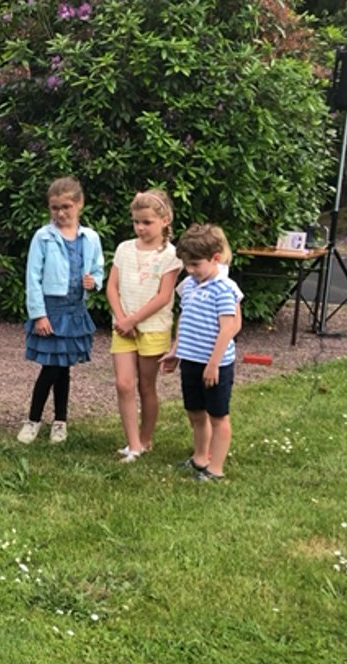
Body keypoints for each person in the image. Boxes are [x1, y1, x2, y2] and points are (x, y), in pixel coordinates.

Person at [17, 176, 105, 445]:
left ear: (79, 204)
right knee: (51, 368)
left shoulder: (90, 238)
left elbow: (98, 269)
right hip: (51, 312)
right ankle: (33, 420)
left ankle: (60, 421)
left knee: (63, 368)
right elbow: (33, 278)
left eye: (66, 206)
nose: (60, 213)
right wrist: (39, 314)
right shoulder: (43, 237)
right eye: (55, 208)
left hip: (75, 311)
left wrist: (95, 282)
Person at [160, 224, 241, 481]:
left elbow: (228, 328)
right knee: (195, 412)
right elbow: (184, 319)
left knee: (218, 415)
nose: (191, 270)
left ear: (215, 257)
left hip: (215, 364)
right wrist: (176, 351)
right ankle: (200, 457)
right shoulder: (191, 285)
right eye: (187, 265)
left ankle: (215, 469)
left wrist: (214, 364)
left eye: (196, 264)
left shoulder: (223, 288)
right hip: (192, 362)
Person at [105, 190, 181, 462]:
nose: (140, 228)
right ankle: (133, 444)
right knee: (124, 384)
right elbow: (112, 287)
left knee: (146, 387)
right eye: (136, 222)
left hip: (153, 328)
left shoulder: (171, 254)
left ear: (164, 220)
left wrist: (134, 319)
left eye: (147, 222)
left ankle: (146, 439)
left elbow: (163, 295)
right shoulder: (124, 248)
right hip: (122, 328)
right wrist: (122, 318)